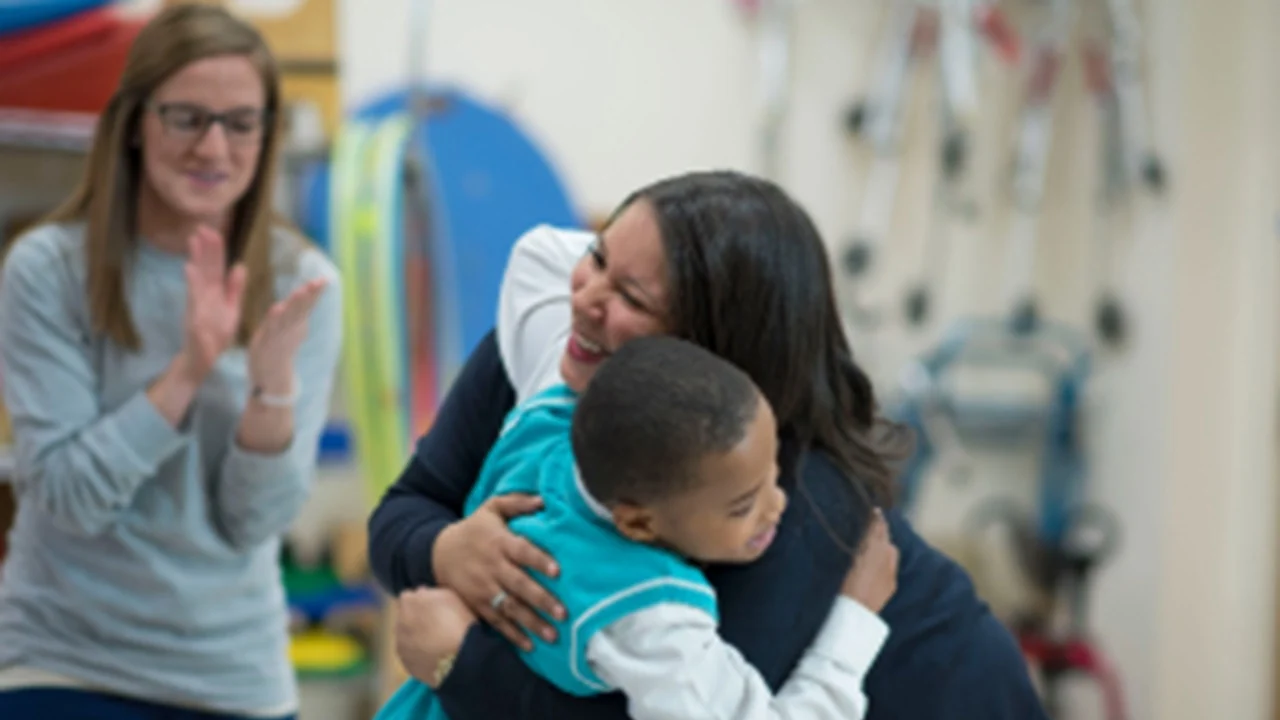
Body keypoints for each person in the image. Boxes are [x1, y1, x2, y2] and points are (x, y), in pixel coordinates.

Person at [369, 171, 1048, 719]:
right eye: (596, 255)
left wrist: (461, 662)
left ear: (708, 354)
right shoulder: (561, 360)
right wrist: (443, 551)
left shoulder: (780, 504)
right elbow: (405, 511)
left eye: (631, 296)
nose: (584, 299)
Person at [0, 5, 342, 719]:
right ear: (133, 123)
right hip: (63, 662)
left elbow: (255, 524)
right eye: (186, 117)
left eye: (240, 121)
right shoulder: (46, 269)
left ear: (266, 133)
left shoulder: (300, 282)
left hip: (232, 675)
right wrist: (187, 371)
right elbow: (68, 494)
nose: (213, 146)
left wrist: (270, 396)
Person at [375, 335, 899, 720]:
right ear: (638, 522)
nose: (777, 507)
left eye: (774, 475)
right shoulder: (650, 612)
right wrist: (855, 622)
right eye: (742, 506)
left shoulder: (547, 425)